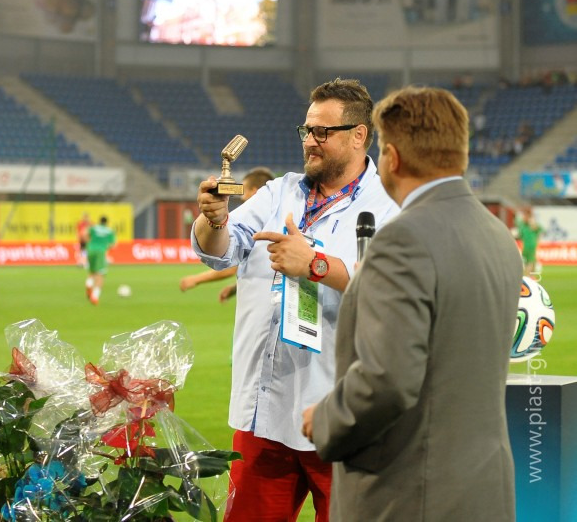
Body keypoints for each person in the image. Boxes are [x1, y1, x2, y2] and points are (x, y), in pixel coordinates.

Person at [302, 87, 522, 521]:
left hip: (411, 493)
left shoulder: (403, 240)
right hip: (483, 490)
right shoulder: (497, 234)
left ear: (393, 158)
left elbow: (388, 380)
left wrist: (325, 419)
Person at [192, 78, 399, 521]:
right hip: (264, 411)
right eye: (306, 130)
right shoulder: (278, 191)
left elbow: (392, 290)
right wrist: (214, 219)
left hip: (342, 414)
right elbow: (220, 250)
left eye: (322, 132)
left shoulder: (388, 206)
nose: (310, 141)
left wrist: (316, 265)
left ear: (358, 135)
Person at [180, 167, 275, 303]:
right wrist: (234, 289)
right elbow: (261, 267)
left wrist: (196, 279)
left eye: (245, 190)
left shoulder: (260, 225)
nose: (242, 197)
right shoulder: (276, 219)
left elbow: (232, 265)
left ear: (254, 191)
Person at [85, 215, 115, 305]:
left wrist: (89, 244)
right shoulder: (109, 231)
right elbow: (112, 244)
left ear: (99, 221)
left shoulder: (94, 228)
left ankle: (88, 284)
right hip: (100, 252)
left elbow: (85, 235)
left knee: (92, 271)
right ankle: (95, 296)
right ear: (106, 222)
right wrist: (105, 246)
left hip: (90, 250)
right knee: (100, 275)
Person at [515, 206, 543, 278]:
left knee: (530, 261)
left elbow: (540, 230)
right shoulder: (523, 225)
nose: (524, 217)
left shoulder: (532, 225)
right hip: (525, 246)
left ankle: (529, 276)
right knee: (529, 261)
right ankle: (530, 276)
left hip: (531, 245)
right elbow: (520, 235)